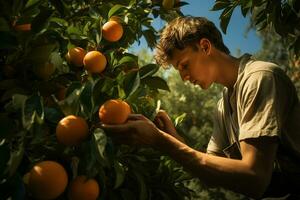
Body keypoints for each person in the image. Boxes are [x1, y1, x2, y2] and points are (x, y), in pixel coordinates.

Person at [101, 16, 300, 199]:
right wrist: (174, 139)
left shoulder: (259, 78)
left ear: (205, 46)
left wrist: (161, 142)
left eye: (184, 65)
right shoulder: (223, 105)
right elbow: (210, 174)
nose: (183, 78)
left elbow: (255, 178)